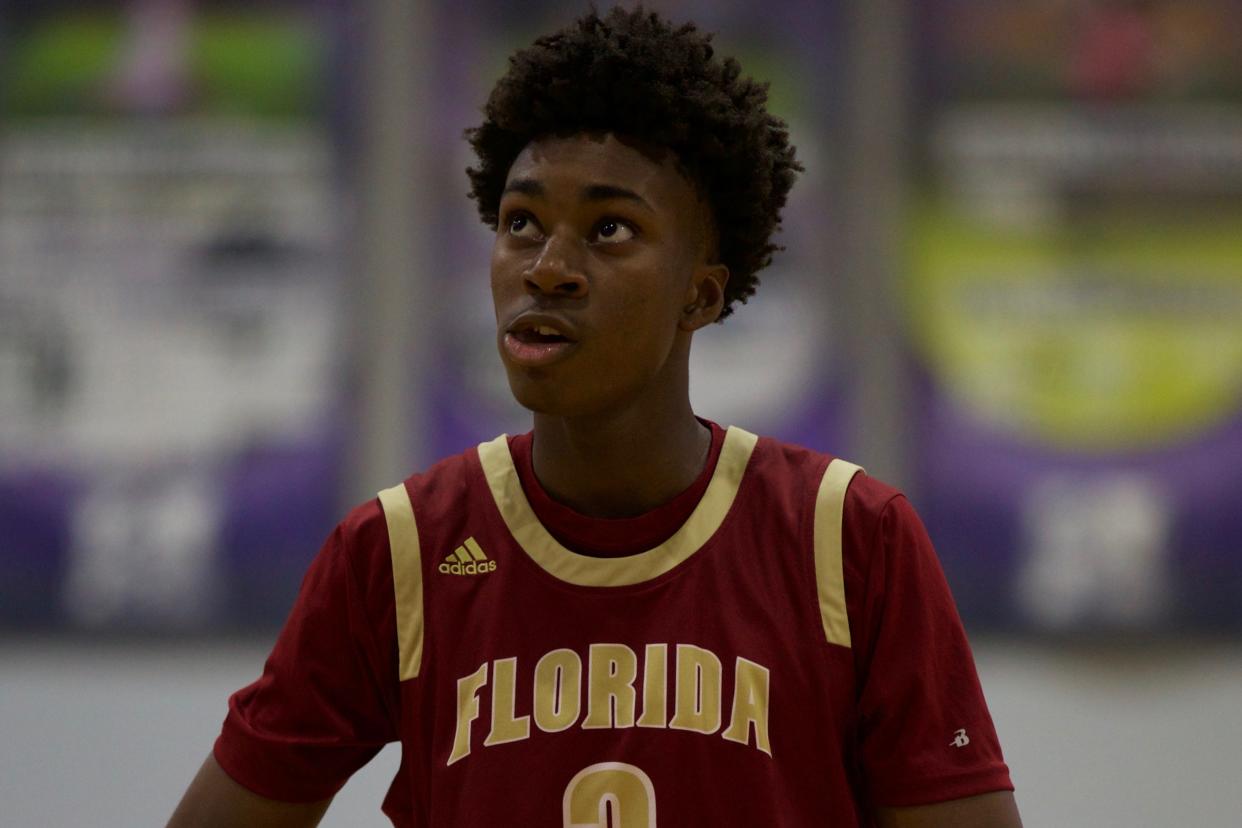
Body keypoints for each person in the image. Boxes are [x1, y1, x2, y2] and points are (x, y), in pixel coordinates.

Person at [168, 7, 1021, 827]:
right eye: (521, 223)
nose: (548, 268)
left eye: (609, 229)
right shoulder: (396, 554)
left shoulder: (849, 540)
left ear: (702, 292)